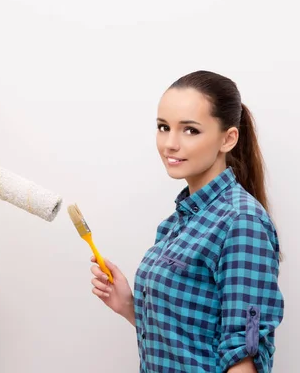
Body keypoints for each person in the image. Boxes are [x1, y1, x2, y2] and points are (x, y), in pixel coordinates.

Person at [89, 71, 284, 372]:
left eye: (190, 130)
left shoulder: (241, 222)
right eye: (163, 127)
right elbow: (187, 340)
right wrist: (130, 306)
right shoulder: (174, 225)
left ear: (228, 138)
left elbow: (243, 360)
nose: (170, 143)